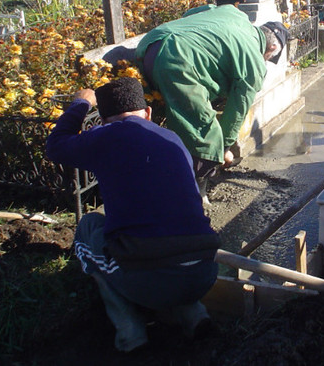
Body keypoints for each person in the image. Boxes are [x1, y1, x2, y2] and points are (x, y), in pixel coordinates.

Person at [46, 77, 220, 352]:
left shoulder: (105, 137)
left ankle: (131, 335)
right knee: (170, 240)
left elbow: (55, 146)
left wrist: (80, 103)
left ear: (103, 121)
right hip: (205, 271)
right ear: (148, 113)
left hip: (150, 279)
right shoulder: (172, 138)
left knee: (89, 227)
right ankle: (194, 316)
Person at [136, 4, 289, 202]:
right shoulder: (254, 61)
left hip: (150, 43)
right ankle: (195, 196)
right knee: (205, 133)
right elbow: (237, 111)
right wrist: (223, 147)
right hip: (178, 60)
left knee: (183, 121)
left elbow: (193, 12)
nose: (266, 61)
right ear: (273, 48)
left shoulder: (233, 13)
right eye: (269, 58)